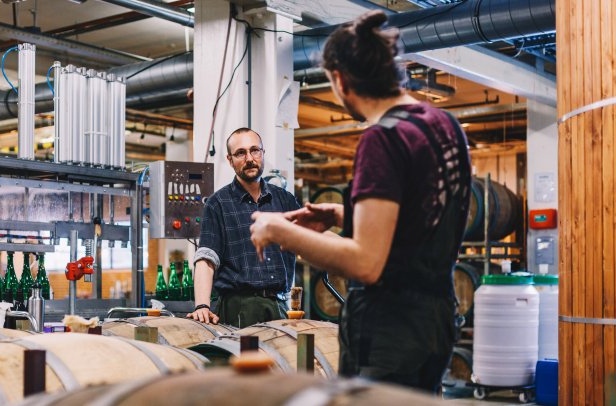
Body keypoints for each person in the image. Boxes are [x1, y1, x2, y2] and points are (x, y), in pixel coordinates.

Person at [249, 10, 471, 394]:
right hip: (435, 319)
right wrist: (343, 212)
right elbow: (424, 215)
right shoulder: (443, 125)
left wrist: (279, 230)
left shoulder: (382, 139)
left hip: (390, 329)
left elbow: (367, 264)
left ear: (340, 78)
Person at [187, 127, 300, 328]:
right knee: (245, 360)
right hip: (238, 309)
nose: (249, 158)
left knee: (280, 360)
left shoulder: (285, 200)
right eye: (240, 153)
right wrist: (201, 305)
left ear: (263, 153)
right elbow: (206, 258)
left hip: (280, 306)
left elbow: (307, 241)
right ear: (230, 160)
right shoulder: (218, 203)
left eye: (255, 150)